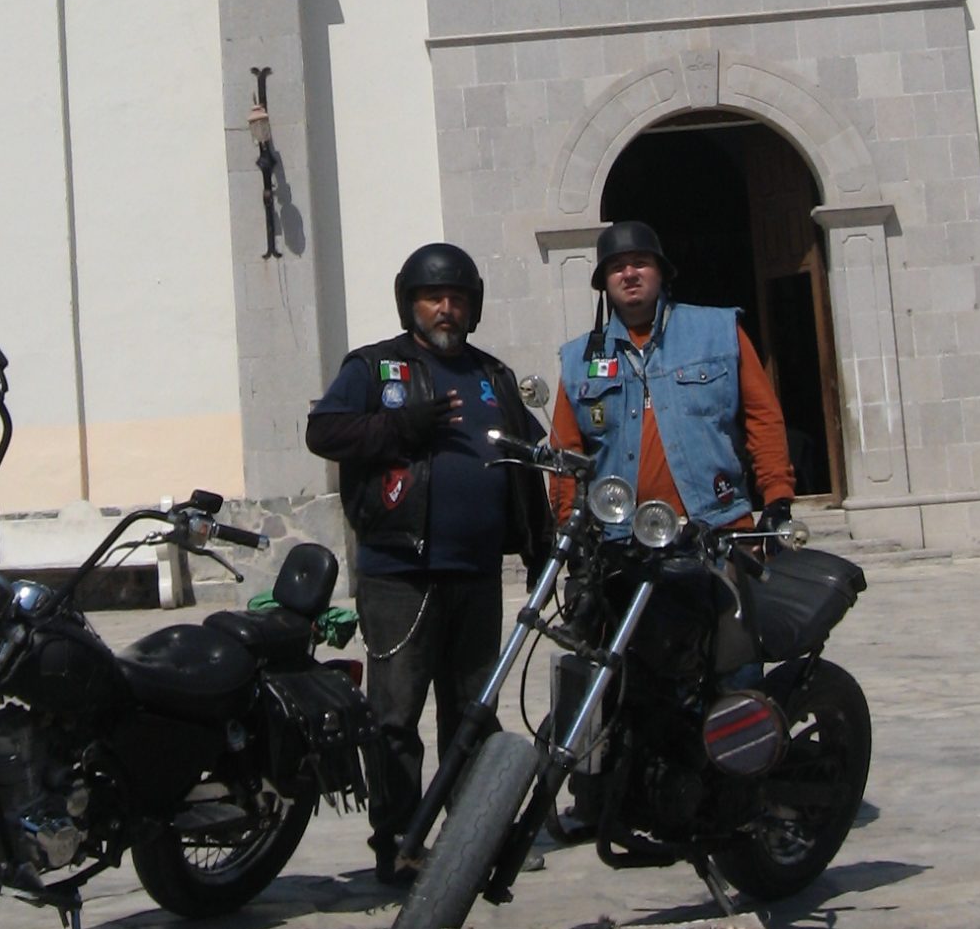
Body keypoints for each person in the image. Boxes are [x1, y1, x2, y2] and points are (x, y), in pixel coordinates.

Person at [307, 241, 550, 886]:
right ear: (409, 304)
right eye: (433, 298)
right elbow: (323, 431)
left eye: (457, 299)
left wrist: (539, 545)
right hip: (399, 573)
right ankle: (399, 840)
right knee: (395, 716)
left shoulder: (494, 375)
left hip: (475, 573)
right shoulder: (373, 367)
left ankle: (473, 837)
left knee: (473, 712)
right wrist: (399, 428)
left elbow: (527, 462)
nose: (446, 309)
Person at [552, 219, 796, 534]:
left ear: (661, 272)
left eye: (640, 263)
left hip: (718, 527)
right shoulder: (579, 360)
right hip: (622, 540)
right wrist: (567, 522)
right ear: (605, 283)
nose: (629, 274)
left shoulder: (719, 332)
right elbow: (565, 452)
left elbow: (762, 417)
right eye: (617, 267)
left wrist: (777, 497)